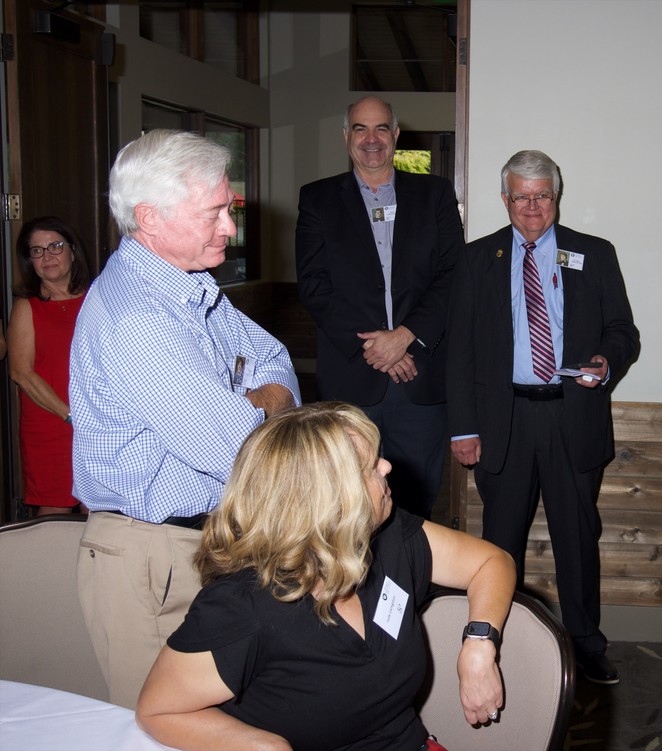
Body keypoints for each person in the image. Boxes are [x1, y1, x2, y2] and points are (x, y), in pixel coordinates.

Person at [70, 129, 301, 708]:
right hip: (151, 557)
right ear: (150, 217)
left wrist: (255, 400)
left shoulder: (190, 285)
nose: (230, 228)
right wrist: (257, 404)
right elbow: (238, 448)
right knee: (164, 727)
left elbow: (275, 358)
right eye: (214, 212)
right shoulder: (137, 316)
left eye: (228, 209)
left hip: (205, 540)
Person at [136, 402, 516, 751]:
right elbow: (158, 710)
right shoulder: (242, 606)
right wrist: (264, 746)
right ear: (328, 500)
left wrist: (479, 646)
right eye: (369, 466)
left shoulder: (390, 537)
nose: (387, 466)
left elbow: (492, 561)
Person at [447, 150, 640, 685]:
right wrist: (463, 427)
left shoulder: (594, 253)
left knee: (577, 539)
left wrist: (605, 361)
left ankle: (586, 645)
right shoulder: (477, 258)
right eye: (521, 197)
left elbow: (623, 331)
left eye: (543, 196)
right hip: (502, 420)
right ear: (504, 199)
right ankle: (496, 644)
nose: (532, 207)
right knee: (500, 543)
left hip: (571, 416)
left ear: (557, 197)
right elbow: (459, 349)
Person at [296, 96, 464, 519]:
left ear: (396, 134)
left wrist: (405, 336)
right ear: (346, 136)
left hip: (420, 378)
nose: (371, 139)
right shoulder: (317, 199)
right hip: (351, 380)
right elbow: (314, 285)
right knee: (347, 508)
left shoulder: (435, 194)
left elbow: (453, 274)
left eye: (381, 128)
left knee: (415, 508)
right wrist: (376, 346)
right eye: (360, 129)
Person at [8, 217, 90, 516]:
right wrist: (70, 415)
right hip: (50, 424)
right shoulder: (27, 307)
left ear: (72, 251)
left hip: (98, 422)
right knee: (54, 515)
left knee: (99, 511)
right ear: (30, 262)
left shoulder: (97, 298)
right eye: (37, 251)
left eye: (55, 246)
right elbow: (21, 372)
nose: (47, 256)